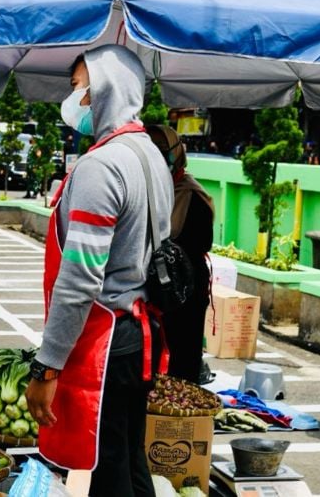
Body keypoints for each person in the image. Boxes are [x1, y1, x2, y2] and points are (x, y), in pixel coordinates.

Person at [25, 45, 173, 497]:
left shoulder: (102, 165)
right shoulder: (150, 155)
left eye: (79, 88)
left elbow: (80, 278)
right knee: (129, 459)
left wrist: (46, 368)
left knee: (107, 470)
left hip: (104, 339)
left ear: (105, 89)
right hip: (139, 335)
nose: (75, 101)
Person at [147, 124, 214, 384]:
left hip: (185, 291)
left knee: (182, 363)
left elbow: (202, 243)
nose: (158, 157)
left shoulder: (191, 195)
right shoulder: (147, 190)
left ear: (177, 153)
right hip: (153, 290)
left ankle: (180, 420)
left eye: (164, 151)